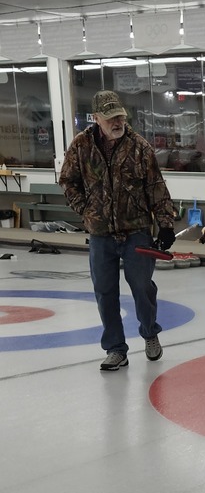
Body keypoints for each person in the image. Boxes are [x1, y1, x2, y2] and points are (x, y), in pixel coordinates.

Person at [59, 89, 176, 370]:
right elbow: (67, 180)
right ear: (96, 118)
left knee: (141, 287)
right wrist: (86, 209)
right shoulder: (81, 146)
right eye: (111, 117)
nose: (117, 122)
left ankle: (149, 333)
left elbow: (156, 188)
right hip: (100, 233)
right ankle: (115, 349)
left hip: (136, 231)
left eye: (120, 116)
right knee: (105, 291)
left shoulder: (139, 147)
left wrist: (166, 224)